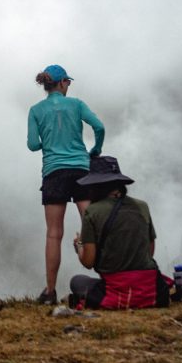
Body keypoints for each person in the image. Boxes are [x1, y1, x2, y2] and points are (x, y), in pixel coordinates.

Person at [27, 64, 105, 304]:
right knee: (93, 225)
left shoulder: (36, 110)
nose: (69, 85)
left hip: (53, 172)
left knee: (53, 234)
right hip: (81, 169)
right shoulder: (77, 105)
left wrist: (47, 143)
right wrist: (96, 150)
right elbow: (99, 127)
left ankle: (50, 291)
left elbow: (32, 144)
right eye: (68, 82)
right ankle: (111, 278)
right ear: (62, 83)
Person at [69, 158, 169, 310]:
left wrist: (79, 245)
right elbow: (150, 251)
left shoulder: (92, 212)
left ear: (95, 185)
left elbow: (88, 262)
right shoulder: (142, 206)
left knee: (77, 281)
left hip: (115, 289)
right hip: (152, 290)